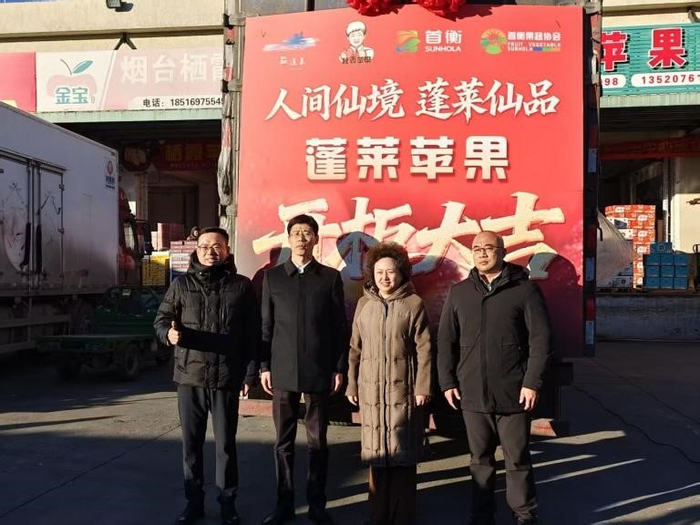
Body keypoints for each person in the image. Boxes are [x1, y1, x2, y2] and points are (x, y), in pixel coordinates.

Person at [437, 231, 552, 525]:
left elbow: (540, 339)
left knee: (517, 459)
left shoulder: (524, 290)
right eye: (477, 249)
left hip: (513, 391)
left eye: (489, 248)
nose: (482, 253)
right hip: (472, 392)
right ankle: (481, 516)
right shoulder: (459, 292)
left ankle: (524, 515)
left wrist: (531, 382)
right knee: (480, 461)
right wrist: (447, 382)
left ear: (502, 252)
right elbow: (446, 341)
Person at [154, 227, 259, 525]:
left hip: (227, 376)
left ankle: (228, 504)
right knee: (191, 446)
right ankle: (194, 503)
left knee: (225, 446)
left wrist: (250, 373)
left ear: (227, 250)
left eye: (217, 246)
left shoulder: (241, 286)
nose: (210, 252)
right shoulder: (181, 284)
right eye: (204, 246)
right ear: (196, 250)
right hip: (190, 376)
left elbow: (252, 333)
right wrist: (168, 334)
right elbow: (161, 319)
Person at [259, 214, 348, 525]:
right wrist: (264, 366)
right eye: (295, 232)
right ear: (288, 239)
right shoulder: (273, 278)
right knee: (283, 443)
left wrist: (338, 367)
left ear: (315, 239)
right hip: (282, 370)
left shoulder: (330, 278)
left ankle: (317, 505)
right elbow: (266, 327)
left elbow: (339, 328)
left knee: (317, 442)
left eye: (307, 233)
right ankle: (284, 505)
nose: (301, 238)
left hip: (319, 370)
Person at [346, 242, 432, 525]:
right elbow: (355, 348)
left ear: (402, 273)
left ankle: (403, 515)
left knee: (403, 455)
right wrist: (352, 384)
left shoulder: (413, 304)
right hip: (371, 392)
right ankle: (377, 515)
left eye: (391, 271)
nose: (385, 277)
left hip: (403, 391)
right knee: (377, 456)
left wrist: (422, 387)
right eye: (379, 272)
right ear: (372, 274)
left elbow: (424, 349)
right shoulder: (364, 305)